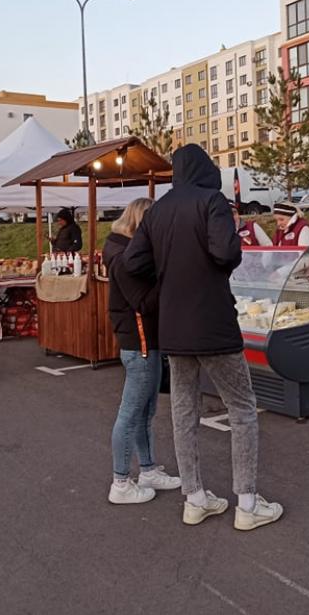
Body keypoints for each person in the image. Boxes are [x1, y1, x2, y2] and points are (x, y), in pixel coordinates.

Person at [125, 143, 283, 531]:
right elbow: (226, 253)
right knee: (242, 407)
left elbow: (133, 261)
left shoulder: (157, 210)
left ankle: (194, 499)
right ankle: (247, 504)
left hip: (174, 329)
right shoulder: (212, 202)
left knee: (183, 412)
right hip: (213, 324)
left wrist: (164, 284)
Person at [103, 198, 181, 505]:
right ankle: (120, 482)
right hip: (140, 344)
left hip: (143, 342)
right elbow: (144, 303)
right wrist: (167, 277)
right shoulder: (125, 259)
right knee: (131, 413)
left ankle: (147, 470)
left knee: (144, 412)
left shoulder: (123, 250)